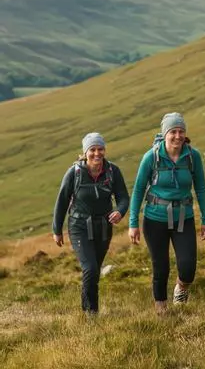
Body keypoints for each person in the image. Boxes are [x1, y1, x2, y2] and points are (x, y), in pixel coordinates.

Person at [128, 112, 205, 315]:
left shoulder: (192, 156)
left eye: (181, 131)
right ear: (165, 134)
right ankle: (161, 308)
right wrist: (133, 223)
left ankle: (181, 287)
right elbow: (139, 189)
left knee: (188, 266)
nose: (177, 136)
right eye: (173, 131)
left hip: (184, 217)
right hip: (155, 218)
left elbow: (200, 187)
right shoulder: (152, 157)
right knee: (161, 266)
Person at [52, 132, 130, 315]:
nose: (97, 153)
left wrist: (120, 211)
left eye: (100, 149)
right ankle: (90, 313)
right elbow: (62, 200)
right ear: (85, 152)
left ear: (105, 150)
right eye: (92, 150)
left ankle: (88, 306)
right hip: (79, 226)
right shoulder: (75, 173)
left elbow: (123, 197)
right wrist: (57, 230)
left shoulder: (113, 171)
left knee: (93, 272)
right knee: (91, 268)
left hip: (103, 227)